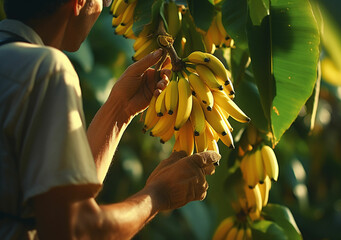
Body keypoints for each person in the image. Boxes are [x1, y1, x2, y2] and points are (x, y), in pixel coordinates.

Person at [0, 0, 221, 239]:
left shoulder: (13, 63)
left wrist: (119, 110)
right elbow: (77, 229)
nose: (104, 7)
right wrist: (159, 194)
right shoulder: (45, 69)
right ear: (79, 3)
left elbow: (60, 201)